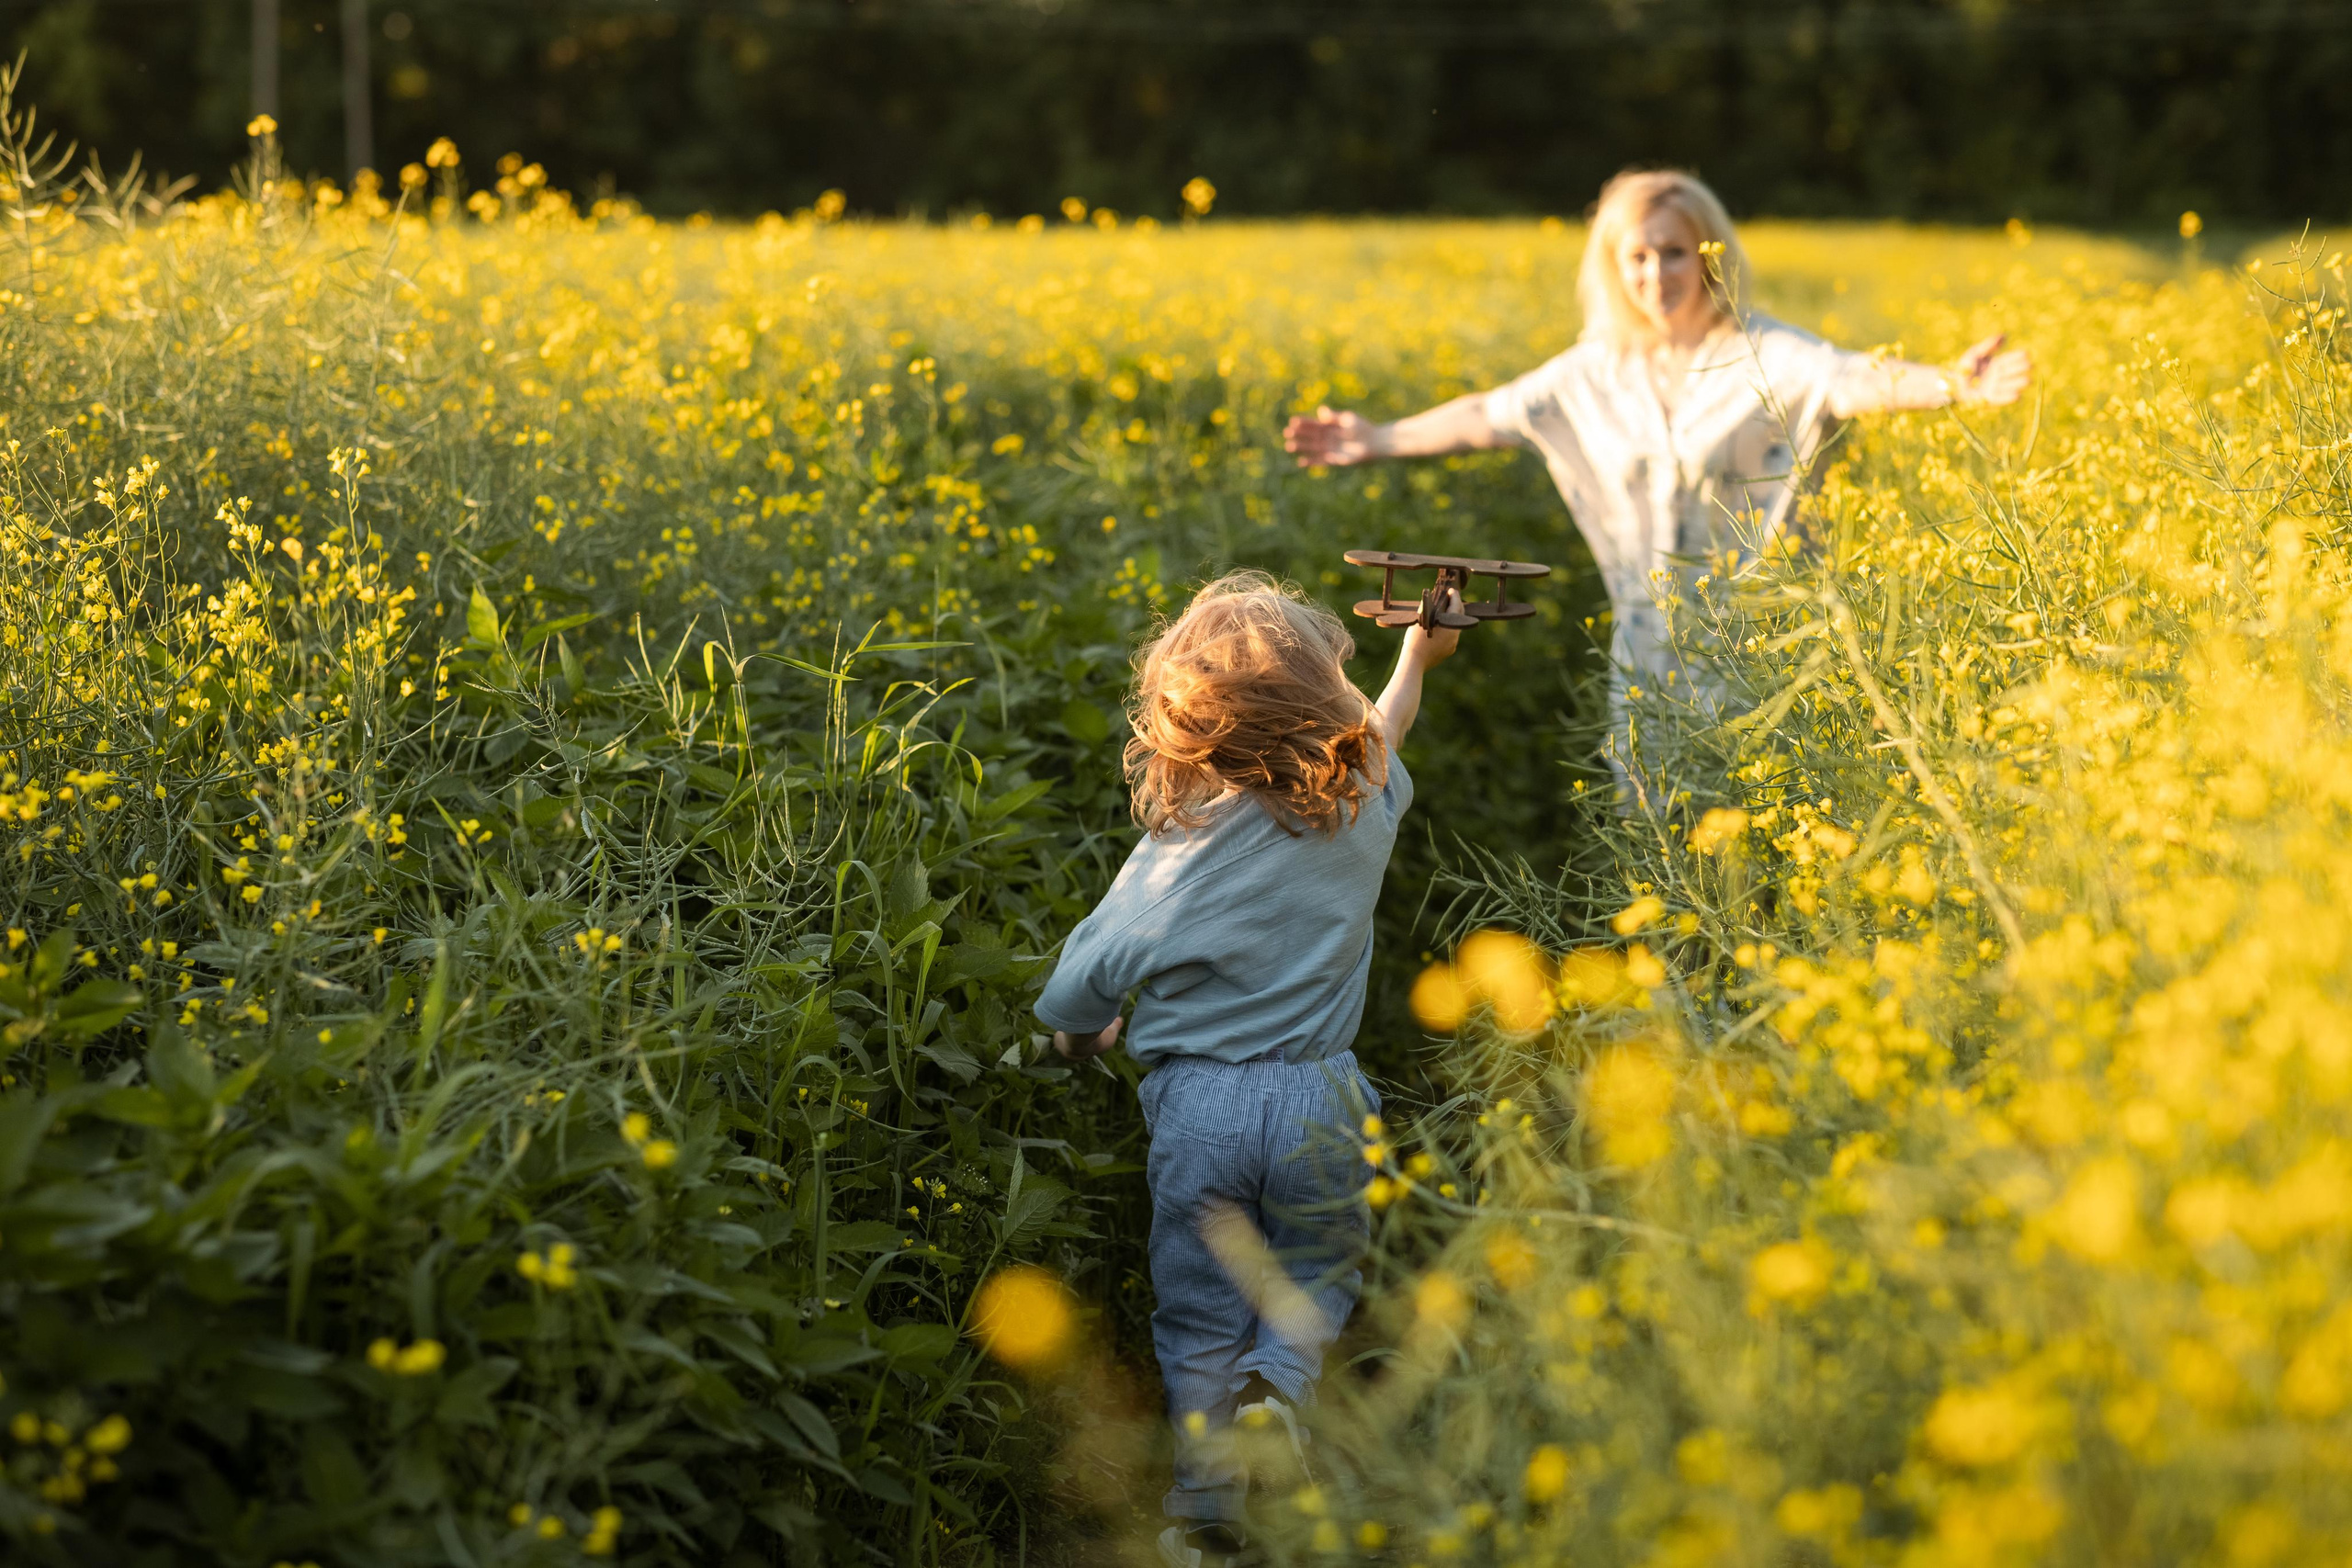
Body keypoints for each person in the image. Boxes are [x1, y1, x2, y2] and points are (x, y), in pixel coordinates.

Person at [1282, 167, 2031, 786]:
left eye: (1672, 252)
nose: (1654, 274)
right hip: (1646, 658)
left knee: (1768, 846)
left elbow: (1848, 379)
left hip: (1770, 659)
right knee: (1662, 860)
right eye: (1635, 257)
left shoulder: (1764, 350)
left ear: (1708, 254)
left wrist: (1950, 384)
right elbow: (1493, 412)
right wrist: (1376, 437)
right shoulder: (1598, 368)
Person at [1034, 570, 1460, 1568]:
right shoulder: (1364, 801)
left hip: (1202, 1111)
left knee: (1197, 1315)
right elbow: (1383, 735)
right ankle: (1277, 1396)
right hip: (1321, 1097)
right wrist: (1416, 660)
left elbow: (1087, 974)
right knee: (1310, 1283)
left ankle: (1203, 1516)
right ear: (1325, 702)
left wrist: (1075, 1035)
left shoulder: (1179, 849)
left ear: (1186, 721)